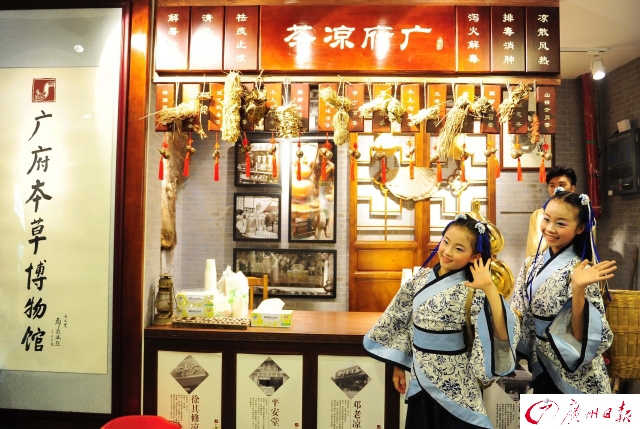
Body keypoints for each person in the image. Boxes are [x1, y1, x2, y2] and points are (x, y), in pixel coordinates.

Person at [363, 215, 519, 429]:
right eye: (446, 242)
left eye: (459, 249)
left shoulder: (473, 289)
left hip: (456, 379)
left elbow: (501, 333)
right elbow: (401, 320)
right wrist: (399, 366)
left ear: (474, 257)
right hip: (420, 376)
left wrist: (489, 288)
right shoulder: (419, 279)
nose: (447, 252)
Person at [511, 189, 616, 394]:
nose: (550, 228)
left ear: (580, 228)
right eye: (546, 219)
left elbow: (581, 336)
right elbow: (520, 314)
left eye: (561, 223)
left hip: (575, 372)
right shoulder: (530, 264)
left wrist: (578, 288)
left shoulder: (582, 271)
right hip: (541, 363)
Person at [526, 166, 577, 258]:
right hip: (542, 264)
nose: (556, 189)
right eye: (552, 185)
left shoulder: (581, 214)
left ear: (572, 188)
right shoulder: (537, 215)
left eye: (561, 185)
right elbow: (532, 248)